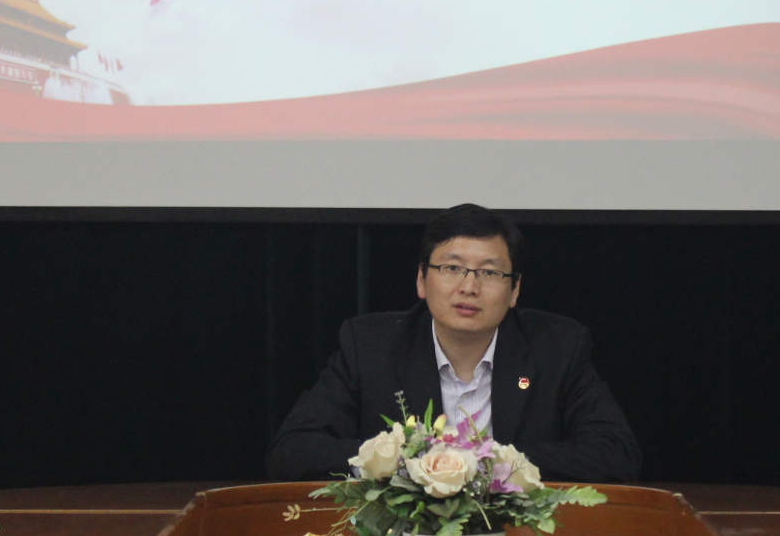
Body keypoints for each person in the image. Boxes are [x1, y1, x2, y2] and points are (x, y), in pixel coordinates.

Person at [266, 204, 641, 482]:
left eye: (489, 272)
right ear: (421, 280)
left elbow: (616, 454)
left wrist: (488, 462)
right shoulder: (370, 347)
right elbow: (292, 450)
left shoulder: (557, 347)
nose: (469, 286)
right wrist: (410, 462)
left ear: (514, 290)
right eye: (452, 268)